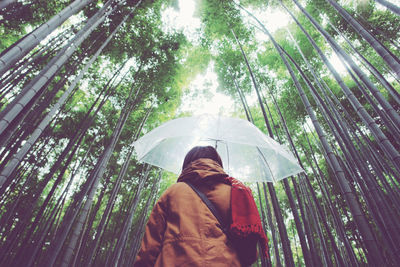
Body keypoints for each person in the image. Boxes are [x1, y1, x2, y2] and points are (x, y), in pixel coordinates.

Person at [134, 146, 268, 266]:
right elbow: (249, 253)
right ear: (217, 163)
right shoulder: (237, 193)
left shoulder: (172, 192)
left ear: (187, 164)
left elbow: (149, 248)